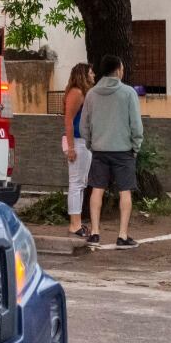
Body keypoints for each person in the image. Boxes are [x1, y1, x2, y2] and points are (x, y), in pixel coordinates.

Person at [81, 54, 143, 249]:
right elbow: (136, 125)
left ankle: (95, 233)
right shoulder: (128, 93)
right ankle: (122, 235)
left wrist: (91, 143)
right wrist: (136, 145)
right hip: (123, 150)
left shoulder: (91, 94)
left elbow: (84, 125)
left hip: (99, 149)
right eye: (122, 68)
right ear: (117, 70)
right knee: (125, 191)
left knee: (96, 189)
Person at [61, 63, 96, 237]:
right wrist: (71, 147)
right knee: (76, 183)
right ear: (83, 75)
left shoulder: (83, 93)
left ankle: (77, 222)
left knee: (80, 184)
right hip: (77, 141)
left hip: (82, 142)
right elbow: (68, 120)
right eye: (91, 72)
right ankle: (74, 224)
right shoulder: (77, 93)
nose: (93, 75)